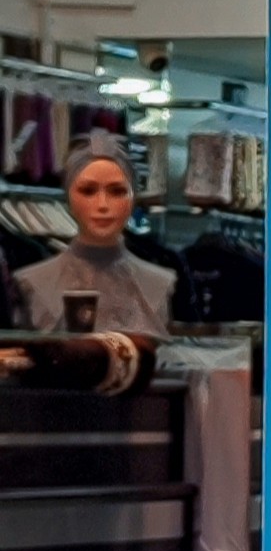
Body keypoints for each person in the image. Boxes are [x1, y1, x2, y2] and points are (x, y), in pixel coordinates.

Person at [6, 142, 173, 389]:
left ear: (132, 199)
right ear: (69, 198)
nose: (103, 205)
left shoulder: (161, 281)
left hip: (144, 419)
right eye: (87, 191)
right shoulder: (31, 279)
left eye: (117, 191)